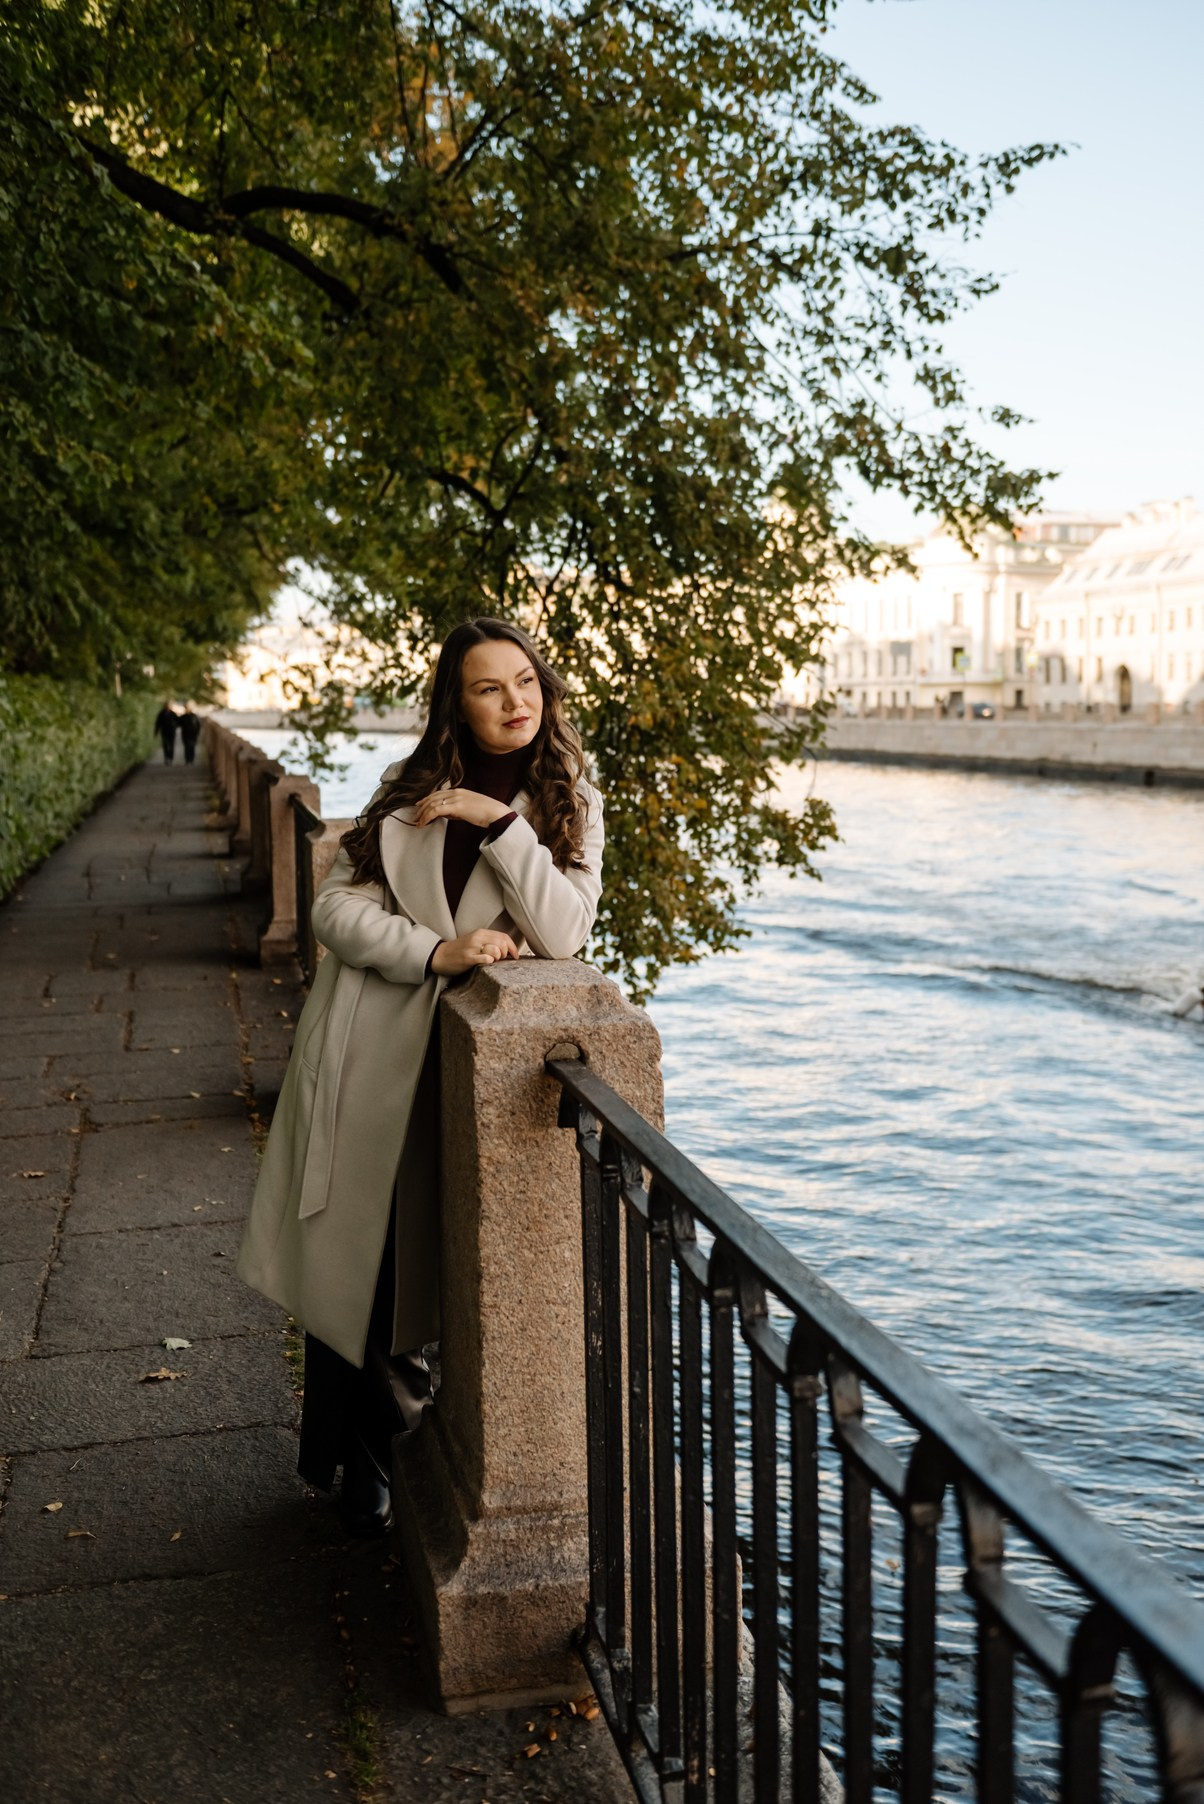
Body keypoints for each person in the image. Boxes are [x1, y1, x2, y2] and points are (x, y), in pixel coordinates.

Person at [235, 619, 604, 1536]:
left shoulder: (570, 801)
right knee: (359, 1264)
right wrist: (438, 950)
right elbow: (333, 910)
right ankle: (358, 1466)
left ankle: (380, 1460)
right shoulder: (408, 794)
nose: (516, 702)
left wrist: (500, 824)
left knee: (416, 1274)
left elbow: (566, 933)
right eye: (489, 688)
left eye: (527, 682)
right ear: (457, 703)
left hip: (456, 1069)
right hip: (368, 1049)